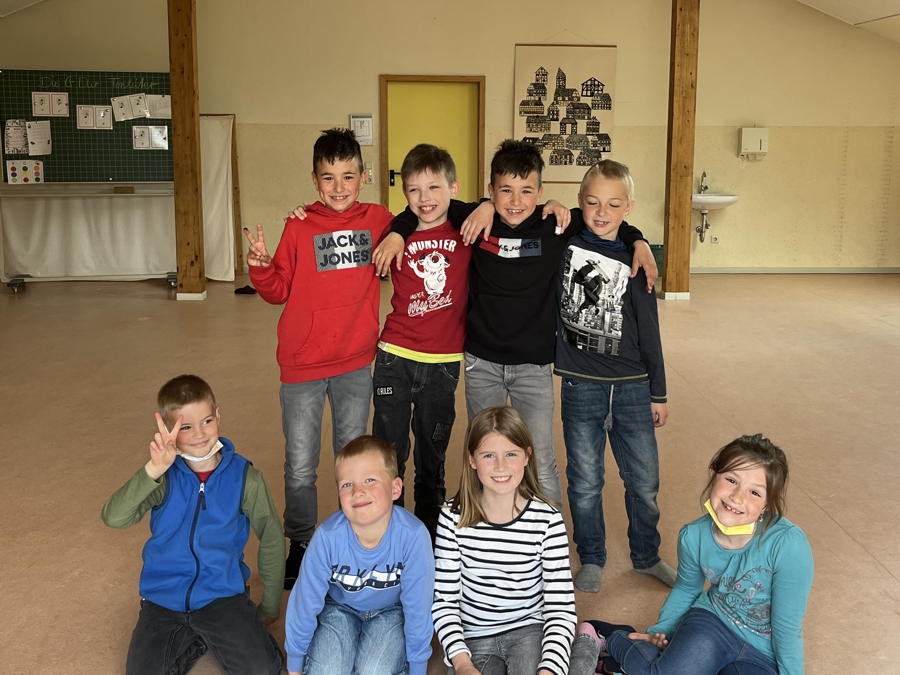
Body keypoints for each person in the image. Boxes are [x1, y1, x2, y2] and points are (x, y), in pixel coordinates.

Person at [383, 141, 658, 504]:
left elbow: (603, 218)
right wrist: (402, 232)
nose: (515, 201)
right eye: (505, 191)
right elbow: (419, 209)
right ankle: (482, 526)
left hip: (534, 365)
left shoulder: (555, 224)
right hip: (482, 362)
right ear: (491, 190)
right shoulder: (475, 219)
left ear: (540, 193)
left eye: (526, 191)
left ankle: (550, 532)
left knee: (539, 456)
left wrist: (638, 241)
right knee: (484, 451)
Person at [244, 128, 394, 588]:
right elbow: (278, 290)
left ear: (364, 177)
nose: (339, 187)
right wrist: (261, 266)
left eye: (348, 176)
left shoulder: (380, 220)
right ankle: (302, 541)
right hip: (303, 365)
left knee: (354, 462)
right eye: (328, 178)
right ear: (314, 180)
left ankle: (353, 533)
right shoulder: (299, 225)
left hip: (354, 362)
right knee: (300, 464)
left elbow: (422, 220)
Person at [576, 434, 815, 675]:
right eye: (731, 480)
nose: (737, 497)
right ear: (713, 474)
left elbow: (787, 626)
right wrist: (661, 631)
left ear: (768, 504)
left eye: (755, 492)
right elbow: (687, 589)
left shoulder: (789, 545)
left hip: (762, 653)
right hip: (713, 621)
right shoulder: (692, 536)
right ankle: (608, 635)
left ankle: (622, 665)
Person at [101, 375, 284, 675]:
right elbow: (114, 517)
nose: (199, 434)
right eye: (185, 427)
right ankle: (199, 637)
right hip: (163, 599)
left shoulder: (246, 478)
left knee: (263, 670)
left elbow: (272, 537)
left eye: (207, 421)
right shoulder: (161, 478)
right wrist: (153, 469)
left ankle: (208, 632)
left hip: (222, 596)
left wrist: (271, 605)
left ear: (218, 416)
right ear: (169, 432)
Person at [556, 160, 675, 593]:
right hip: (580, 385)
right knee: (585, 482)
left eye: (613, 204)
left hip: (633, 389)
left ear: (629, 207)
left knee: (644, 482)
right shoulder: (564, 244)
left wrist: (658, 392)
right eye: (592, 203)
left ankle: (646, 555)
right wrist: (555, 207)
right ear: (579, 203)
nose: (601, 212)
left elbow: (650, 331)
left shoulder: (636, 261)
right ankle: (591, 556)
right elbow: (546, 218)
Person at [370, 143, 473, 543]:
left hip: (442, 364)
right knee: (389, 455)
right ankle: (391, 536)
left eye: (434, 187)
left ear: (453, 187)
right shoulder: (395, 233)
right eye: (413, 189)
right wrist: (397, 232)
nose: (424, 198)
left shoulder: (468, 231)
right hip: (394, 358)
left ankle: (428, 540)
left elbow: (499, 208)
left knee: (432, 459)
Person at [432, 406, 577, 675]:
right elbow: (444, 602)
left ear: (527, 456)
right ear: (472, 460)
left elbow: (561, 609)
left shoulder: (548, 520)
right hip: (474, 635)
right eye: (489, 455)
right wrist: (462, 664)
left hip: (529, 630)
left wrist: (548, 670)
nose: (500, 466)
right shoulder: (452, 517)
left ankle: (585, 645)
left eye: (511, 454)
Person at [284, 436, 435, 675]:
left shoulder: (414, 536)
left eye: (370, 480)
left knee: (375, 670)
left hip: (391, 610)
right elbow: (305, 601)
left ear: (395, 488)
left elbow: (419, 608)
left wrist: (418, 667)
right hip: (339, 607)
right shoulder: (327, 537)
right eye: (347, 484)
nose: (358, 492)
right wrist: (295, 662)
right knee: (328, 670)